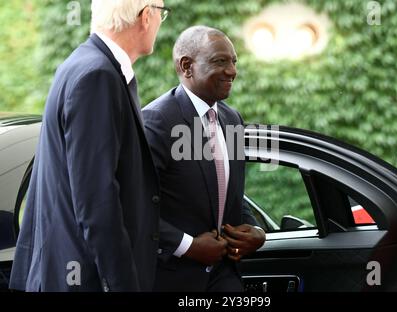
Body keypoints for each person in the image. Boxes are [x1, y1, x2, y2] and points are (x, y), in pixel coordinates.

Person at [9, 0, 169, 291]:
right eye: (161, 13)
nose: (161, 21)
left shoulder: (83, 64)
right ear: (146, 16)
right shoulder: (97, 76)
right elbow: (97, 201)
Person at [142, 25, 266, 292]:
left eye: (233, 61)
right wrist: (187, 246)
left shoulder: (232, 120)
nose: (232, 71)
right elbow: (133, 206)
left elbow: (231, 195)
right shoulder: (157, 121)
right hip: (171, 278)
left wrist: (256, 232)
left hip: (224, 276)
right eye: (220, 61)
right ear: (187, 66)